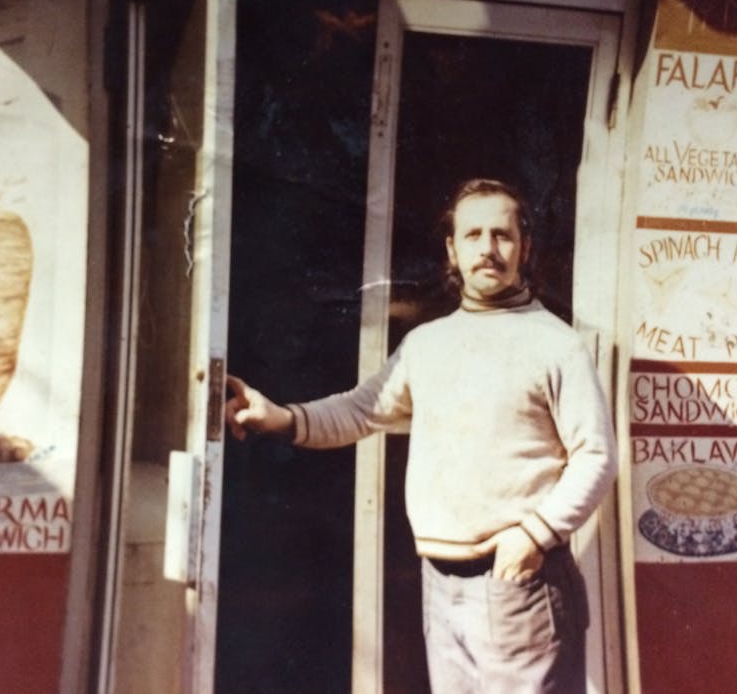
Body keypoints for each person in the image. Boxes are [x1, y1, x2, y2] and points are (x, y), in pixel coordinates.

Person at [225, 178, 617, 693]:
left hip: (520, 586)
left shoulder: (557, 344)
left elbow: (597, 457)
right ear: (452, 249)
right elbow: (361, 410)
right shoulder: (426, 344)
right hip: (441, 585)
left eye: (502, 234)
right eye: (472, 235)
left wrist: (531, 538)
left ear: (525, 246)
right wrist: (280, 417)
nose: (488, 249)